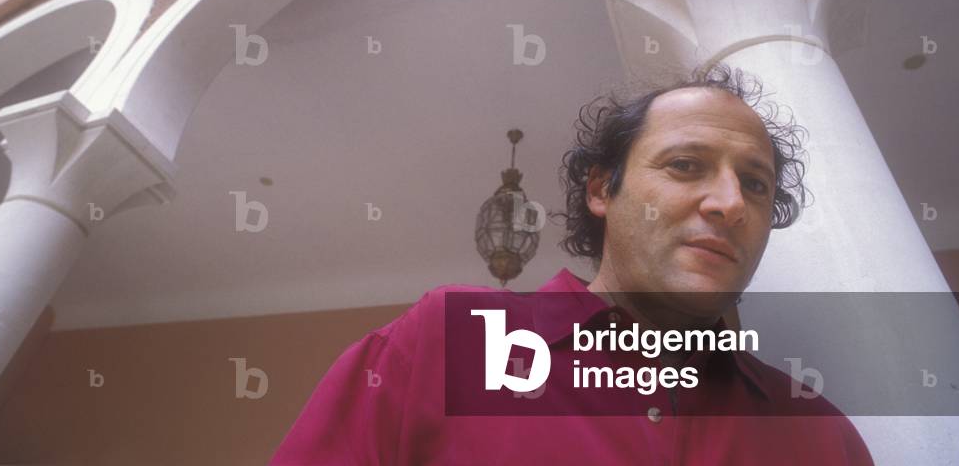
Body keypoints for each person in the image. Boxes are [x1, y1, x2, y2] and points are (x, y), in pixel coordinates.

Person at [268, 65, 874, 465]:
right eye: (686, 165)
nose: (730, 203)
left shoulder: (822, 435)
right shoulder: (448, 341)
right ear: (602, 189)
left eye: (755, 184)